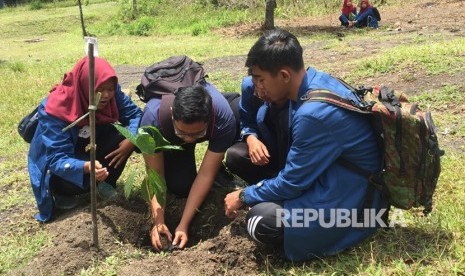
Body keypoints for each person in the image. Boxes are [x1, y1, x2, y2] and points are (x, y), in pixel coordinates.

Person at [224, 29, 388, 261]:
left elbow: (292, 183)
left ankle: (347, 230)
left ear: (283, 75)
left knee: (260, 221)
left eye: (261, 79)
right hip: (336, 178)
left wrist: (243, 195)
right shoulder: (315, 79)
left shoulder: (313, 115)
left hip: (357, 204)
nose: (257, 87)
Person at [28, 56, 142, 222]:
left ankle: (105, 182)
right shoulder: (55, 108)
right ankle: (61, 193)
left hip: (89, 142)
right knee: (66, 180)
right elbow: (57, 159)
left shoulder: (111, 91)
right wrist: (86, 166)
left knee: (122, 136)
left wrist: (131, 140)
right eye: (99, 90)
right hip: (62, 162)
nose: (106, 95)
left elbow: (135, 114)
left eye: (111, 89)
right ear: (84, 85)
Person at [139, 82, 236, 251]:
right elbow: (155, 174)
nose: (190, 139)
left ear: (209, 118)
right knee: (180, 186)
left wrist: (183, 225)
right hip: (167, 134)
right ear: (172, 114)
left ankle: (220, 171)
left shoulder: (222, 117)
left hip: (217, 119)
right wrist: (158, 221)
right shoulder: (151, 121)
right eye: (182, 132)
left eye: (197, 134)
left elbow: (206, 174)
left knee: (237, 110)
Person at [225, 76, 289, 184]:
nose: (260, 94)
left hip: (291, 151)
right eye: (256, 85)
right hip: (269, 146)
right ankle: (268, 184)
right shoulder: (249, 87)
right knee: (234, 156)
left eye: (265, 89)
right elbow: (246, 119)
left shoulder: (294, 95)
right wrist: (251, 138)